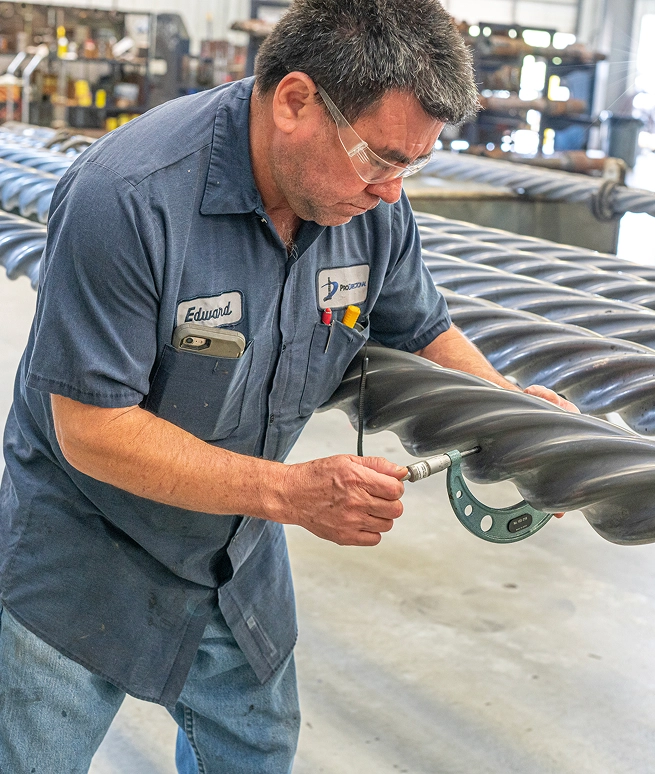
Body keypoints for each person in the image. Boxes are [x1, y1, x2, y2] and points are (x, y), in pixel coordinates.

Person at [0, 1, 575, 771]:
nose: (391, 190)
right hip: (85, 548)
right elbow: (93, 429)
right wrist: (293, 495)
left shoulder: (366, 208)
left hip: (232, 548)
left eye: (412, 163)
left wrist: (511, 415)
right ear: (296, 101)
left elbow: (420, 328)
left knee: (255, 749)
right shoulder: (127, 196)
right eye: (378, 157)